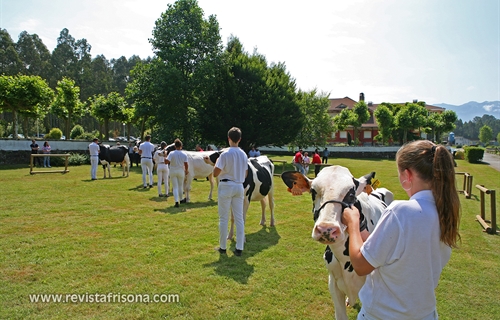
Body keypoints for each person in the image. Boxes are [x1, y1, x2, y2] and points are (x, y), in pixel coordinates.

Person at [341, 140, 460, 320]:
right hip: (425, 314)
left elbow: (360, 265)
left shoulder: (401, 211)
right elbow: (396, 251)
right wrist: (362, 231)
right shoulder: (445, 213)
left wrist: (353, 224)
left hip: (384, 315)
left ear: (407, 175)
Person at [212, 127, 248, 256]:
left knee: (223, 218)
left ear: (228, 139)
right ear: (240, 139)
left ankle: (223, 247)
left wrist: (216, 164)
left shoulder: (225, 154)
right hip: (239, 185)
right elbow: (245, 173)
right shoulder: (243, 154)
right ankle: (239, 247)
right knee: (239, 218)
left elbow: (216, 173)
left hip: (226, 185)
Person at [165, 138, 189, 207]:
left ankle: (176, 201)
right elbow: (186, 164)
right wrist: (186, 170)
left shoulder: (171, 153)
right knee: (180, 186)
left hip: (173, 170)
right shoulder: (184, 154)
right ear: (181, 146)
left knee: (175, 186)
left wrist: (165, 157)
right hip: (180, 170)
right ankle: (181, 199)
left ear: (175, 146)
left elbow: (166, 162)